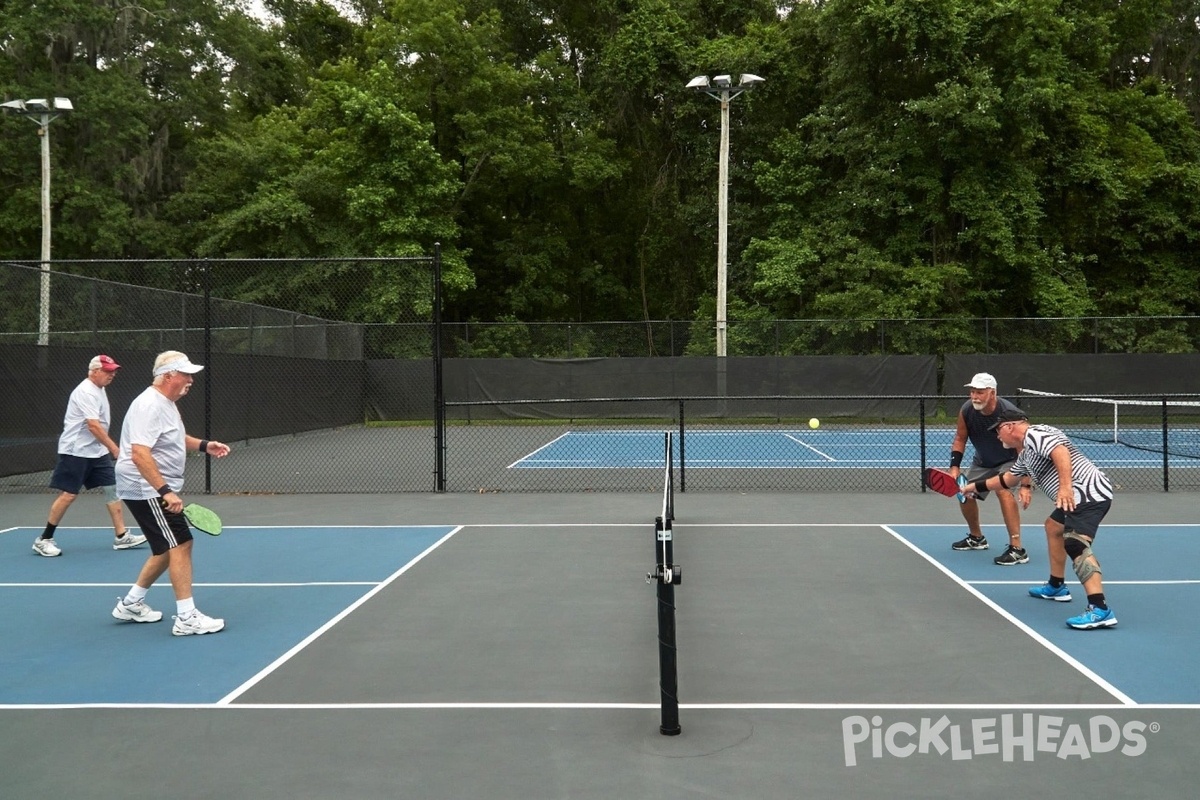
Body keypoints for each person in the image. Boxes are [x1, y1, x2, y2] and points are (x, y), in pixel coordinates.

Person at [110, 350, 232, 635]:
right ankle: (187, 618)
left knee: (166, 547)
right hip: (145, 487)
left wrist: (204, 445)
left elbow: (174, 437)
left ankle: (131, 603)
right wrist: (164, 490)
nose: (191, 380)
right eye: (186, 374)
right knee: (181, 544)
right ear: (168, 376)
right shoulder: (149, 405)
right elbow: (139, 453)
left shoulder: (166, 403)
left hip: (150, 486)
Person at [965, 409, 1117, 630]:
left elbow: (1060, 451)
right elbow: (1007, 479)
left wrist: (1065, 488)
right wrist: (973, 487)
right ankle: (1056, 586)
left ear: (1009, 427)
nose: (997, 437)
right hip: (1075, 496)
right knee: (1054, 527)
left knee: (1075, 543)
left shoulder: (1037, 433)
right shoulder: (1027, 454)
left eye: (997, 431)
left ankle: (1100, 609)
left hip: (1087, 494)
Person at [33, 355, 147, 557]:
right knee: (69, 494)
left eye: (113, 371)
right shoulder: (86, 391)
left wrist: (106, 448)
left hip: (96, 451)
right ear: (93, 372)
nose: (112, 375)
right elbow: (93, 425)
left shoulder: (100, 389)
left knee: (112, 488)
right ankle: (44, 539)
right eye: (108, 371)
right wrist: (114, 448)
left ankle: (121, 536)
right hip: (76, 451)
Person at [947, 373, 1028, 566]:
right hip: (983, 461)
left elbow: (1024, 449)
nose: (974, 396)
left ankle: (1017, 549)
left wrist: (1026, 484)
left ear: (992, 393)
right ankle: (976, 538)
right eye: (972, 391)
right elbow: (960, 438)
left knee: (1003, 490)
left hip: (1010, 460)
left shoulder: (1009, 413)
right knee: (964, 492)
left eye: (980, 392)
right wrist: (954, 467)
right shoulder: (967, 410)